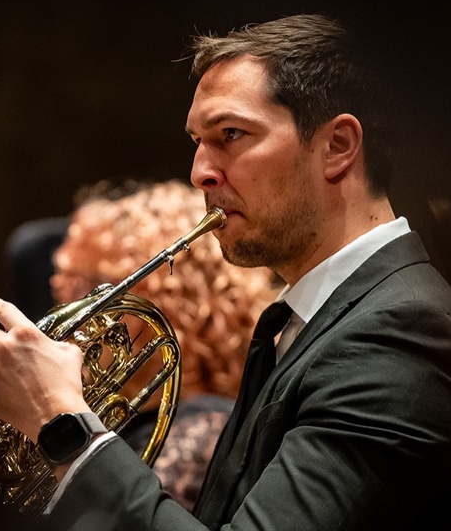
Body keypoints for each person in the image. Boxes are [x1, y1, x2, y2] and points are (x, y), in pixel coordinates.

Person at [0, 14, 451, 531]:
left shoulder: (402, 333)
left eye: (230, 135)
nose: (200, 171)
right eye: (197, 142)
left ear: (338, 145)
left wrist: (62, 421)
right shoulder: (312, 319)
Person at [49, 178, 279, 511]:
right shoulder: (129, 422)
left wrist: (50, 413)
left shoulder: (205, 429)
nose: (70, 311)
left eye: (93, 288)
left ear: (172, 298)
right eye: (64, 287)